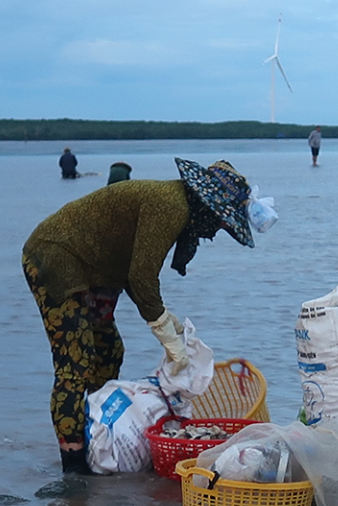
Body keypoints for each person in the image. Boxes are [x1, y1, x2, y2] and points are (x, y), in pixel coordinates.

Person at [22, 158, 257, 474]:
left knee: (109, 351)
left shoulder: (177, 204)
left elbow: (134, 273)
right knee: (75, 361)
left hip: (98, 270)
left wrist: (165, 318)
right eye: (219, 221)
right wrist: (163, 329)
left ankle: (100, 429)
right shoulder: (170, 206)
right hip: (56, 258)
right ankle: (74, 465)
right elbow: (142, 275)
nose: (216, 231)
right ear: (206, 206)